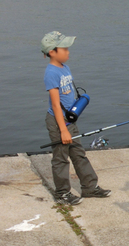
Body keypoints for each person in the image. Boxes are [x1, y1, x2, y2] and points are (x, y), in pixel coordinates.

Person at [42, 31, 111, 205]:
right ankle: (62, 193)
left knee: (78, 153)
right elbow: (56, 105)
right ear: (52, 52)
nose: (68, 52)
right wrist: (63, 129)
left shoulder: (65, 67)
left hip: (69, 121)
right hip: (58, 123)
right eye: (64, 48)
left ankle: (89, 187)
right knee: (61, 158)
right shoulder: (51, 73)